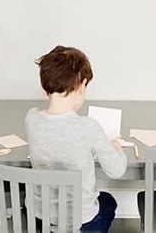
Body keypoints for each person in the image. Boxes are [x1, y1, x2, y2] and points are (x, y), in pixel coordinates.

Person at [25, 45, 127, 232]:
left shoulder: (31, 119)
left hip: (43, 219)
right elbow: (116, 170)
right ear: (82, 85)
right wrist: (116, 147)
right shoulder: (88, 127)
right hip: (82, 222)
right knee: (108, 202)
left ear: (43, 89)